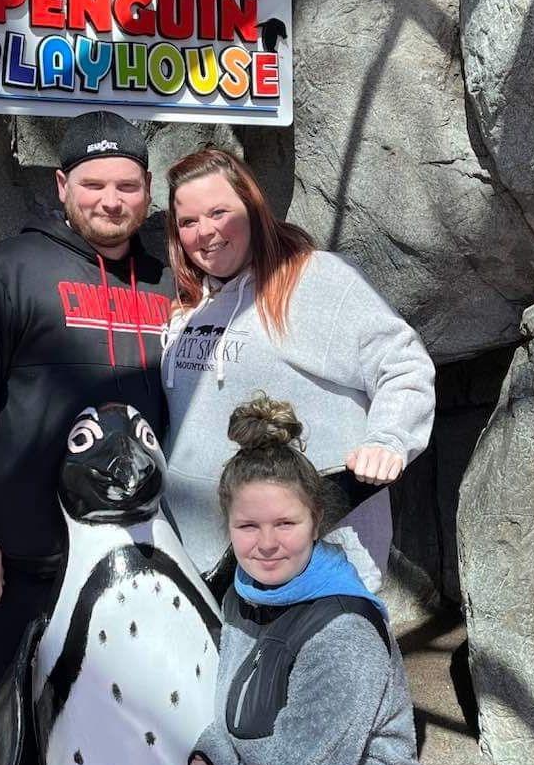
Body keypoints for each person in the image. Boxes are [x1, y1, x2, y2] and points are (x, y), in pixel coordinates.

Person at [0, 111, 173, 765]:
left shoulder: (167, 280)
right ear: (62, 185)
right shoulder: (9, 271)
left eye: (126, 184)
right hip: (22, 565)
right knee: (9, 747)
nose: (110, 199)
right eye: (93, 184)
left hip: (131, 566)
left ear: (148, 190)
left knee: (118, 741)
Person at [181, 394, 439, 765]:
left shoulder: (343, 636)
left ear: (316, 522)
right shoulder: (243, 598)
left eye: (285, 523)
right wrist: (214, 753)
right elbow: (245, 719)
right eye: (248, 526)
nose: (266, 544)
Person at [160, 148, 436, 576]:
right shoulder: (188, 306)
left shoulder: (313, 278)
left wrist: (389, 438)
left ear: (252, 208)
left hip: (316, 554)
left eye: (219, 212)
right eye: (188, 222)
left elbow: (403, 365)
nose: (206, 231)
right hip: (205, 560)